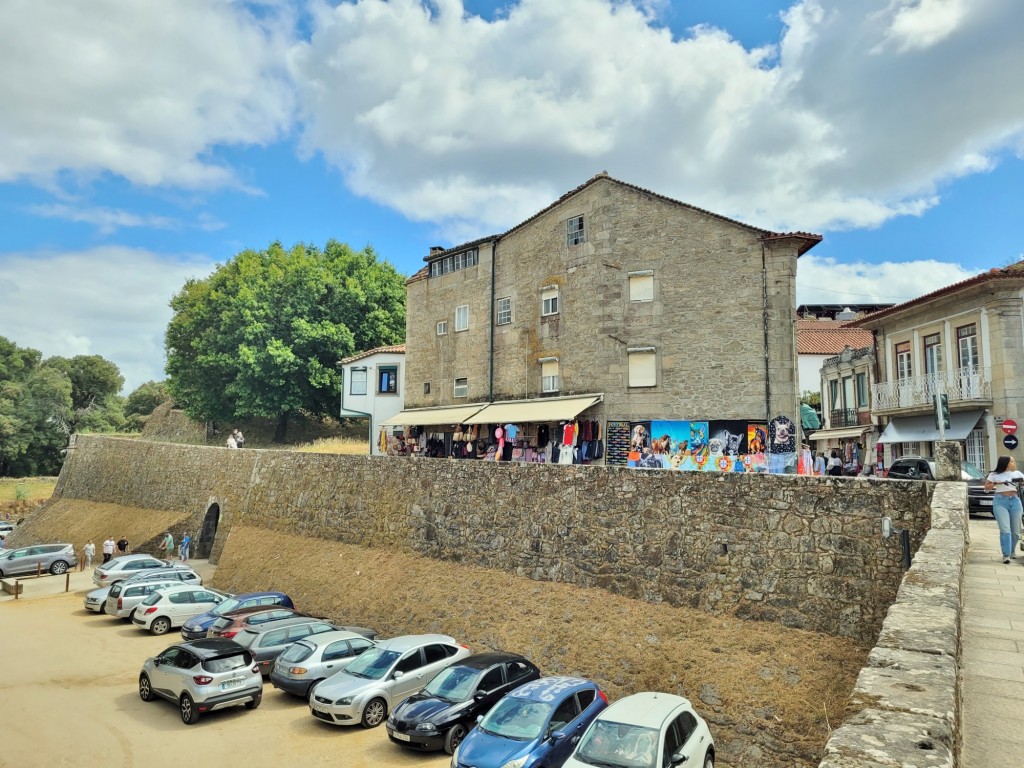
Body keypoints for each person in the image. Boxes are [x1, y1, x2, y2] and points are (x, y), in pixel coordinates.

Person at [984, 456, 1024, 564]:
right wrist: (997, 483)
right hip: (1000, 502)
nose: (1014, 463)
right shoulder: (994, 475)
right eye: (1012, 461)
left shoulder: (1018, 474)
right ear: (1006, 463)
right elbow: (986, 488)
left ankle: (1012, 551)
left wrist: (1021, 484)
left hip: (1015, 501)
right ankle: (1006, 555)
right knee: (1005, 529)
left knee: (1016, 532)